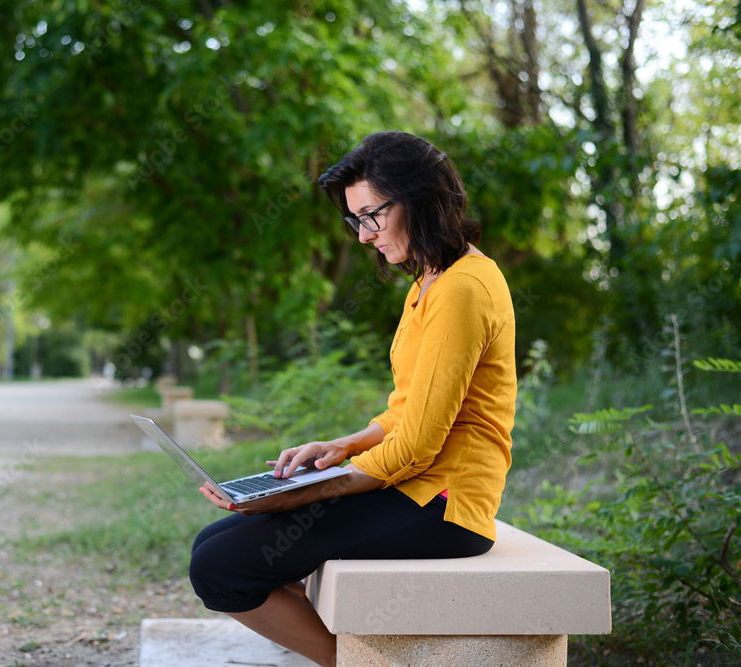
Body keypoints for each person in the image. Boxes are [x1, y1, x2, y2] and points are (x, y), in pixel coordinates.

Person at [190, 131, 517, 667]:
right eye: (356, 220)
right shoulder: (431, 282)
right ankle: (365, 655)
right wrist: (340, 446)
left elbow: (416, 445)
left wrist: (308, 494)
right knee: (213, 543)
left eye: (371, 216)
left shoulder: (462, 290)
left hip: (444, 505)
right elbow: (405, 410)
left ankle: (362, 664)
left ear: (418, 198)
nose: (364, 236)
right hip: (416, 488)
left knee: (220, 568)